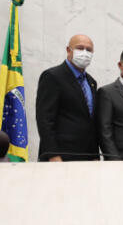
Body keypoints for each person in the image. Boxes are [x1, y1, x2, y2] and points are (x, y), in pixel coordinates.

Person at [35, 33, 99, 161]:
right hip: (61, 157)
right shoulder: (52, 76)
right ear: (68, 50)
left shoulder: (91, 82)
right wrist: (52, 155)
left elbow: (89, 121)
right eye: (80, 48)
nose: (85, 53)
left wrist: (95, 155)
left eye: (89, 50)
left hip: (87, 157)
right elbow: (45, 120)